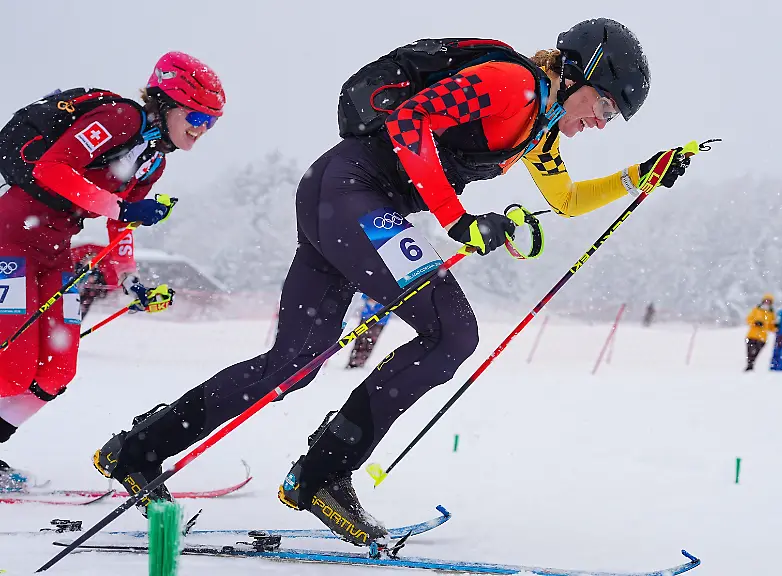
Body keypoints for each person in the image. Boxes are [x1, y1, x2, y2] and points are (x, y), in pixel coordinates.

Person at [94, 19, 695, 546]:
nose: (601, 122)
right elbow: (412, 121)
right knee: (452, 333)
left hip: (341, 197)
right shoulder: (512, 83)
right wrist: (459, 221)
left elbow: (565, 200)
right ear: (584, 71)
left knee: (296, 360)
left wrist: (641, 176)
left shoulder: (540, 127)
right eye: (607, 106)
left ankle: (140, 449)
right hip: (354, 193)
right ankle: (324, 473)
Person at [0, 52, 222, 487]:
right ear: (167, 103)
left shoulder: (153, 160)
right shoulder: (121, 119)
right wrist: (121, 204)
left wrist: (130, 278)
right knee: (13, 367)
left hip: (55, 252)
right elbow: (51, 169)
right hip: (11, 240)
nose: (200, 128)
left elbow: (122, 224)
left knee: (56, 371)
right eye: (195, 115)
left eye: (211, 122)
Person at [347, 294, 392, 369]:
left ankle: (360, 362)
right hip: (367, 316)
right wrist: (369, 297)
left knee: (370, 342)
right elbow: (362, 292)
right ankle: (353, 362)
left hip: (381, 319)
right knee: (360, 340)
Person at [745, 294, 775, 371]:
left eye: (769, 301)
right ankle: (749, 366)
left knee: (756, 353)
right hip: (752, 335)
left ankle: (750, 366)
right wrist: (755, 322)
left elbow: (771, 327)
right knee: (750, 352)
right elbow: (748, 320)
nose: (767, 302)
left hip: (762, 338)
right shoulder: (756, 310)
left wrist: (776, 326)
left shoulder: (771, 313)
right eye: (766, 300)